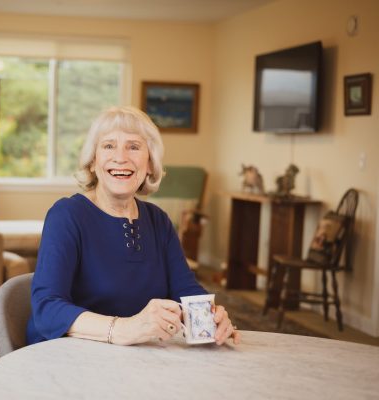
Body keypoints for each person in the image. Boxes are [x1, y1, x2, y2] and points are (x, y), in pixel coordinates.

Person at [26, 106, 241, 346]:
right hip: (67, 357)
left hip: (137, 359)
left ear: (149, 163)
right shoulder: (67, 215)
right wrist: (124, 329)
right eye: (108, 146)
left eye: (134, 147)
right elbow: (47, 308)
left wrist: (211, 317)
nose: (121, 157)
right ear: (92, 163)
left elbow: (186, 289)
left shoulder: (158, 221)